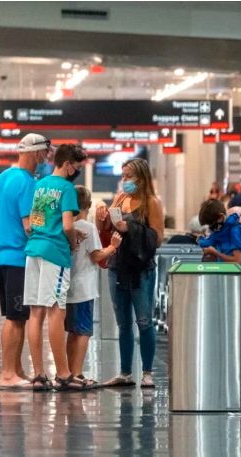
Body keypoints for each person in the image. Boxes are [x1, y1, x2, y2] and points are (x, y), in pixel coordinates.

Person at [0, 133, 51, 390]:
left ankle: (16, 369)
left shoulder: (3, 177)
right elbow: (30, 226)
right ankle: (6, 374)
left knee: (18, 316)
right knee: (15, 318)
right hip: (18, 257)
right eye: (45, 154)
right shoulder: (29, 183)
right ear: (36, 153)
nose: (46, 159)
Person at [96, 158, 164, 389]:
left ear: (141, 178)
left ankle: (147, 372)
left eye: (129, 176)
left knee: (144, 321)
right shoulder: (121, 199)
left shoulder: (151, 203)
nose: (124, 180)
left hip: (140, 270)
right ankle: (125, 372)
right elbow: (106, 228)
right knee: (123, 324)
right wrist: (102, 215)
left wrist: (132, 228)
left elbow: (158, 238)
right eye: (123, 175)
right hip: (117, 268)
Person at [24, 144, 86, 391]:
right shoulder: (67, 188)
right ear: (68, 163)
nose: (76, 171)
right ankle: (63, 373)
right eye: (77, 166)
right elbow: (68, 225)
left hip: (34, 249)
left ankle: (39, 375)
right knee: (56, 311)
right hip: (55, 253)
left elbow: (34, 222)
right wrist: (72, 242)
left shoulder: (40, 185)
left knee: (35, 313)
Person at [65, 186, 121, 389]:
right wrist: (113, 246)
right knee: (84, 332)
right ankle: (78, 374)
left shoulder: (66, 226)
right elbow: (97, 256)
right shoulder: (87, 228)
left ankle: (69, 373)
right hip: (84, 288)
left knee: (72, 332)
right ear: (87, 206)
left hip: (68, 287)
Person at [198, 199, 241, 380]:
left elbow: (236, 261)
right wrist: (208, 252)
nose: (212, 228)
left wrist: (215, 253)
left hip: (239, 281)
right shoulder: (221, 231)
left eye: (212, 223)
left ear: (221, 217)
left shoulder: (235, 231)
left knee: (239, 324)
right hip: (223, 279)